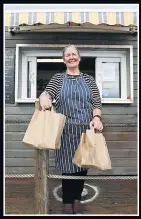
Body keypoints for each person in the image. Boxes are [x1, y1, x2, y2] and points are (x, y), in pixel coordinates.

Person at [39, 45, 103, 214]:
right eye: (67, 55)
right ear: (64, 59)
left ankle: (77, 199)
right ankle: (68, 201)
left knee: (83, 165)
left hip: (85, 131)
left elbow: (96, 103)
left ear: (79, 58)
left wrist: (96, 118)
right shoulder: (58, 78)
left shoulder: (89, 80)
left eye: (74, 54)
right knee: (68, 166)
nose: (71, 57)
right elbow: (47, 94)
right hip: (65, 131)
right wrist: (44, 98)